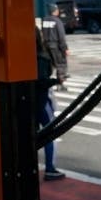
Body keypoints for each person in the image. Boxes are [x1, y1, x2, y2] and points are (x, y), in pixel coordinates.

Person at [34, 28, 65, 181]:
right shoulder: (41, 58)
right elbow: (41, 81)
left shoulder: (21, 56)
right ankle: (50, 168)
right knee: (49, 134)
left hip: (23, 99)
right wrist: (56, 81)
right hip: (40, 100)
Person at [41, 4, 69, 91]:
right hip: (56, 46)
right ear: (54, 11)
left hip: (46, 46)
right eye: (57, 10)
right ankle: (60, 84)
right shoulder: (57, 21)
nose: (58, 11)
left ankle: (46, 83)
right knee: (61, 64)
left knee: (49, 65)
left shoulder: (44, 20)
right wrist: (65, 48)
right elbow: (61, 36)